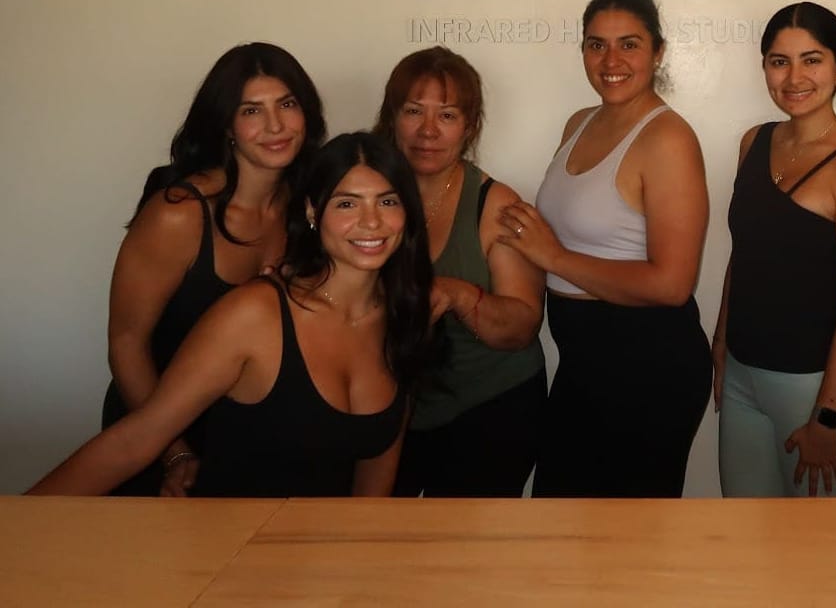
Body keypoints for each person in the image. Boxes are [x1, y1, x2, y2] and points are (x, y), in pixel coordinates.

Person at [29, 132, 434, 497]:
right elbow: (136, 439)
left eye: (388, 201)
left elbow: (373, 488)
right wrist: (17, 524)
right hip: (224, 558)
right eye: (347, 203)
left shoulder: (407, 316)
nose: (371, 221)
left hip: (324, 565)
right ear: (313, 211)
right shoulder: (254, 314)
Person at [499, 0, 711, 498]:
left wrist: (554, 257)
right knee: (564, 529)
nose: (611, 60)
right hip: (582, 360)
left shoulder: (667, 140)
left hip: (647, 366)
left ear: (657, 52)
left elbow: (672, 285)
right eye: (596, 45)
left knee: (628, 547)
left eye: (629, 44)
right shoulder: (580, 122)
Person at [101, 42, 326, 496]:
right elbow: (126, 344)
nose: (276, 125)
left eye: (287, 104)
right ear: (226, 124)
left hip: (247, 437)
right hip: (156, 433)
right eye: (251, 111)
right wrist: (175, 452)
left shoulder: (310, 206)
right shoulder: (178, 213)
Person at [714, 2, 836, 498]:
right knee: (746, 543)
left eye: (812, 60)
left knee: (819, 561)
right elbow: (742, 255)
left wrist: (827, 420)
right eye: (778, 60)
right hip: (743, 378)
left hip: (813, 390)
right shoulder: (754, 141)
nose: (794, 77)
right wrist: (722, 341)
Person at [373, 47, 546, 497]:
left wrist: (457, 293)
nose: (428, 131)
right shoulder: (364, 194)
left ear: (469, 128)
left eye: (446, 116)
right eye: (414, 111)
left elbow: (522, 327)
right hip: (391, 407)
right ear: (392, 118)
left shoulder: (497, 205)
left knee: (467, 556)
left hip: (489, 407)